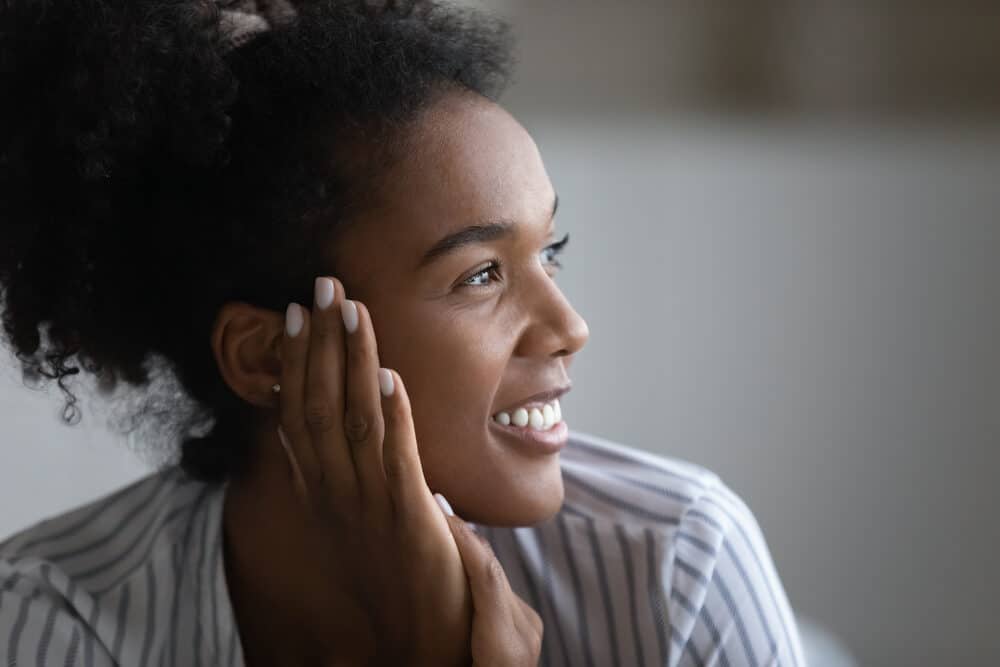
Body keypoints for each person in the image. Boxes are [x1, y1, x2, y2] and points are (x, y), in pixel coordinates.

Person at [0, 0, 807, 665]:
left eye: (548, 251)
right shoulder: (57, 621)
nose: (570, 327)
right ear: (265, 354)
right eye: (481, 274)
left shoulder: (678, 567)